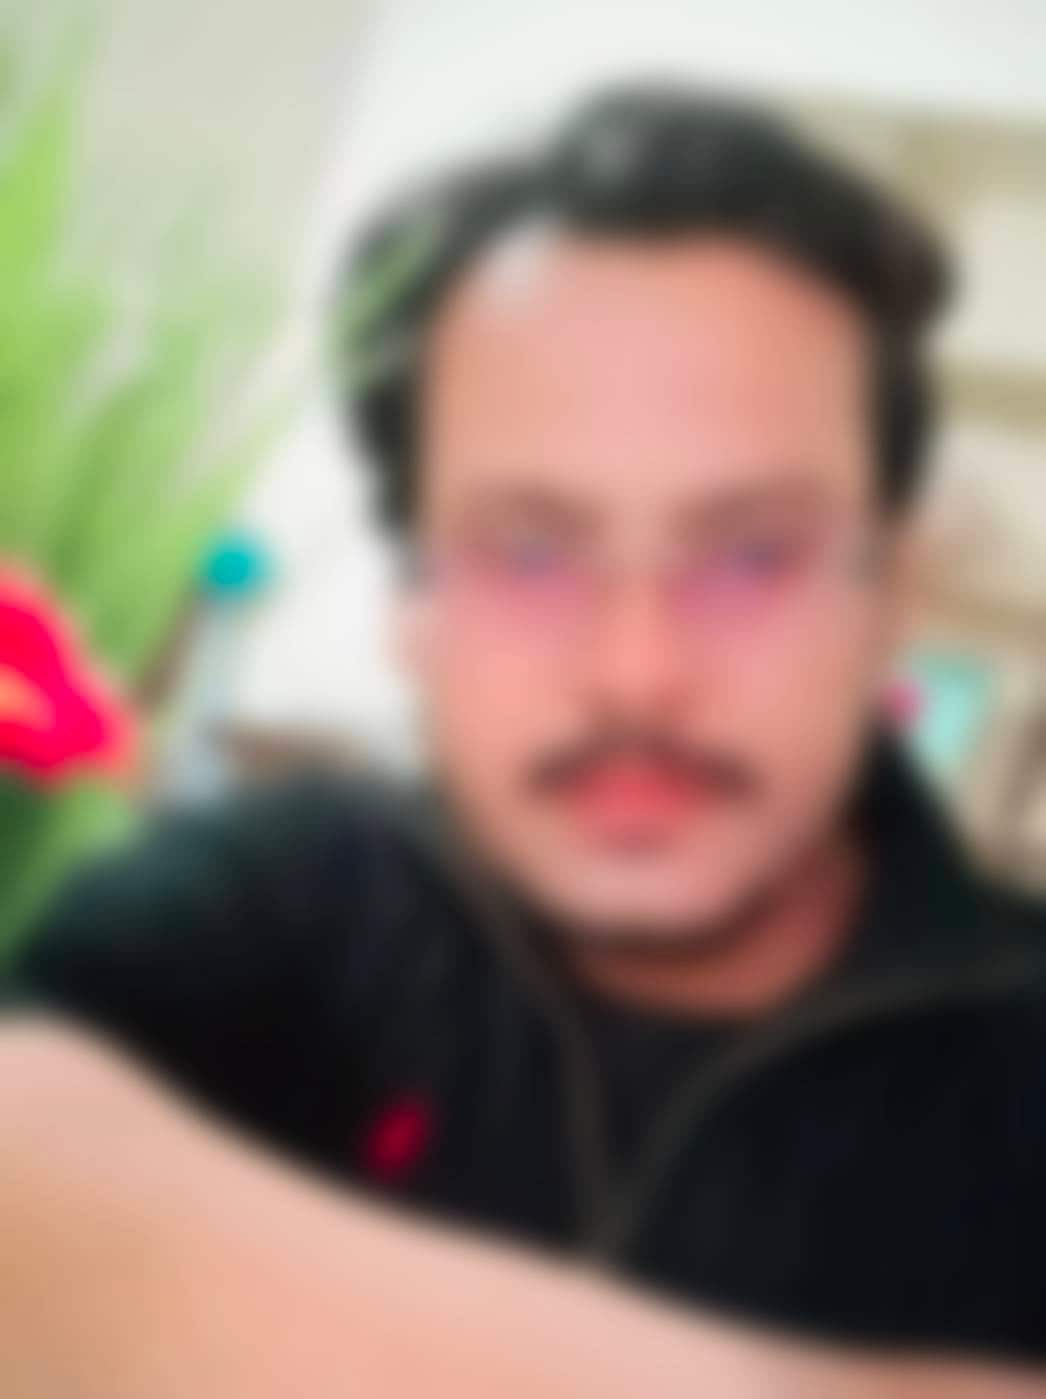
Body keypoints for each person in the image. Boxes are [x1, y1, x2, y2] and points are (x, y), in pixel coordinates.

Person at [3, 84, 1046, 1387]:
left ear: (890, 593)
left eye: (753, 554)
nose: (637, 672)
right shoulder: (268, 899)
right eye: (530, 550)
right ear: (414, 608)